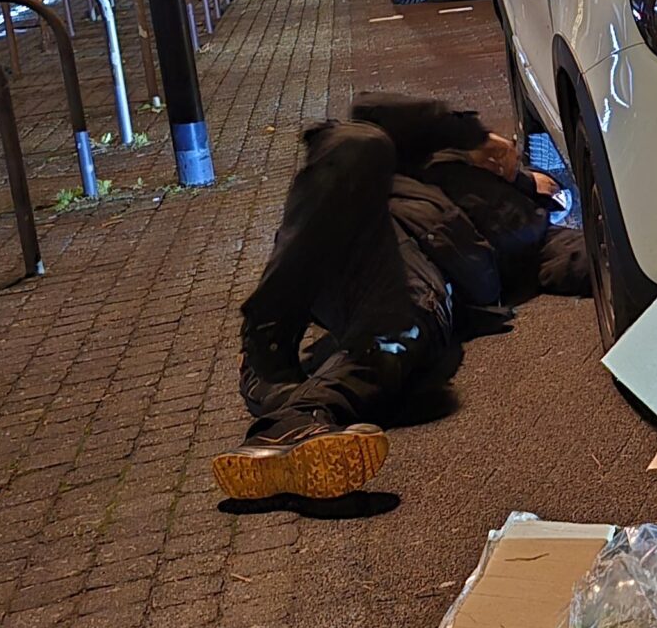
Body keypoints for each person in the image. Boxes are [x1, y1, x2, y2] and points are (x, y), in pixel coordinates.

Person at [215, 93, 588, 501]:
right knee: (359, 144)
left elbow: (581, 258)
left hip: (420, 277)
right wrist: (474, 136)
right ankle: (266, 339)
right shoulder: (434, 155)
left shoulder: (534, 231)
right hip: (358, 224)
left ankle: (295, 424)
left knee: (400, 329)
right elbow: (370, 109)